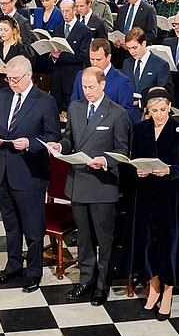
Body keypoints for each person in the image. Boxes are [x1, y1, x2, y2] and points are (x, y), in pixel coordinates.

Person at [121, 87, 179, 319]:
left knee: (169, 244)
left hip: (172, 196)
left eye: (162, 110)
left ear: (169, 107)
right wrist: (137, 171)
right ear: (147, 110)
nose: (158, 115)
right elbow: (133, 159)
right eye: (154, 110)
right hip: (146, 194)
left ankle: (167, 291)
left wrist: (168, 170)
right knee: (147, 241)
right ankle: (153, 286)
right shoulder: (139, 129)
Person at [51, 67, 131, 306]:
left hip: (102, 185)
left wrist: (105, 161)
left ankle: (102, 285)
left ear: (103, 84)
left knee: (104, 239)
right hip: (78, 182)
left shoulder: (117, 114)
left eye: (91, 87)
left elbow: (123, 152)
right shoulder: (75, 108)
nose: (87, 92)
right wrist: (60, 147)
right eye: (84, 87)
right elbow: (70, 139)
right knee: (83, 237)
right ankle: (86, 279)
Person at [0, 56, 60, 293]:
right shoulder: (3, 95)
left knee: (33, 226)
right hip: (5, 169)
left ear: (28, 76)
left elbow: (53, 136)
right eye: (8, 78)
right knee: (11, 224)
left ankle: (34, 271)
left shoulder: (45, 101)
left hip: (30, 173)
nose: (11, 83)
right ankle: (13, 266)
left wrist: (30, 143)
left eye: (15, 79)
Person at [69, 38, 135, 118]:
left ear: (108, 57)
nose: (94, 63)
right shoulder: (81, 76)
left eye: (99, 60)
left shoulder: (122, 81)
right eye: (92, 59)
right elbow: (74, 105)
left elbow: (127, 114)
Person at [122, 27, 172, 121]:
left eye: (134, 47)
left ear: (144, 43)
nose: (132, 52)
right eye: (129, 48)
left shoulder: (160, 64)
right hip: (129, 113)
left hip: (149, 115)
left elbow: (165, 92)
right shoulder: (127, 63)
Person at [0, 15, 30, 93]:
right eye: (1, 30)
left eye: (6, 30)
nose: (2, 33)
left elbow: (24, 71)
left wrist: (7, 71)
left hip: (13, 88)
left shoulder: (21, 50)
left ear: (14, 31)